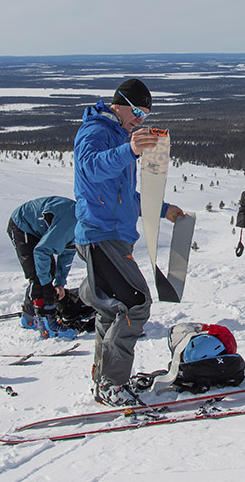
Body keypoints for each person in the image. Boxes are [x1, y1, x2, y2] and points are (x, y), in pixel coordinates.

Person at [73, 78, 185, 406]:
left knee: (113, 312)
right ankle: (111, 384)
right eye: (136, 111)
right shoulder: (96, 132)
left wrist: (162, 210)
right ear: (117, 103)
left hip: (115, 237)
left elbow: (123, 196)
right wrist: (131, 149)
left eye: (145, 115)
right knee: (136, 303)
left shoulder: (120, 135)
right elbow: (91, 169)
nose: (139, 119)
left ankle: (104, 381)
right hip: (99, 235)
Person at [7, 196, 82, 338]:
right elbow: (41, 252)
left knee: (46, 272)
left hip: (37, 228)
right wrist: (47, 285)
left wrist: (59, 283)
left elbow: (67, 255)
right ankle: (47, 324)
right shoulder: (71, 224)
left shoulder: (81, 228)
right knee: (38, 274)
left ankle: (29, 318)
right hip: (22, 225)